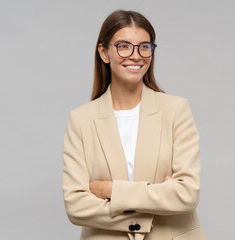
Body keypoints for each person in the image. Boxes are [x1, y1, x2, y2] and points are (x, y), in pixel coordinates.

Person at [62, 10, 207, 240]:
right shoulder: (81, 120)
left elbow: (187, 194)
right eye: (124, 46)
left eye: (144, 46)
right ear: (104, 52)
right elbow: (76, 205)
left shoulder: (176, 110)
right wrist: (158, 198)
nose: (136, 55)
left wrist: (108, 190)